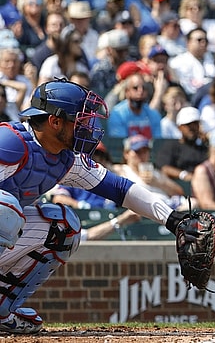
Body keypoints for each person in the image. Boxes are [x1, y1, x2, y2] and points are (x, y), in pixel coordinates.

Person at [0, 78, 193, 334]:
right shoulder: (11, 142)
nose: (87, 128)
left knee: (64, 227)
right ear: (54, 121)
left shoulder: (65, 158)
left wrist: (172, 219)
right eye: (79, 121)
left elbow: (120, 189)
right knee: (7, 209)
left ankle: (2, 310)